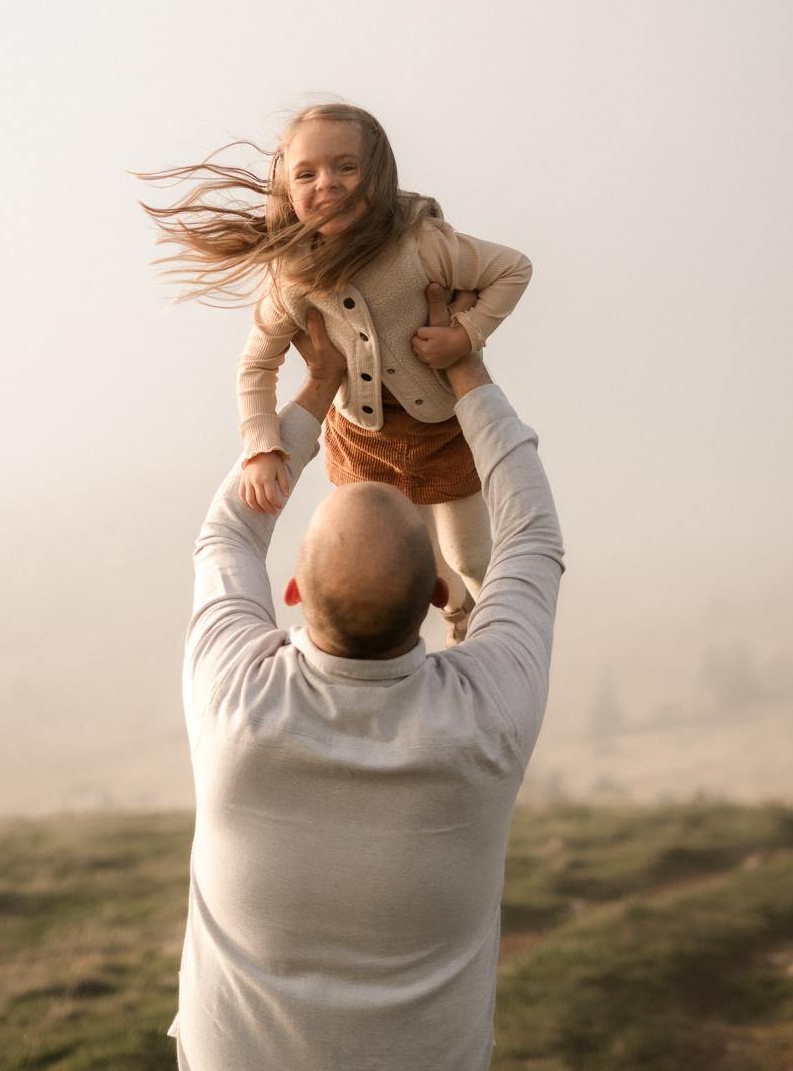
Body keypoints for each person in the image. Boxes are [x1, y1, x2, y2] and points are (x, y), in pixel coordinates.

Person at [167, 283, 565, 1071]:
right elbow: (531, 539)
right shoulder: (488, 717)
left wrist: (314, 389)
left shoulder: (235, 706)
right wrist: (465, 370)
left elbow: (228, 535)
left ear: (293, 595)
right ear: (436, 596)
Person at [139, 102, 532, 643]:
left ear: (379, 174)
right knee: (403, 562)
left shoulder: (423, 245)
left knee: (470, 554)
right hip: (362, 442)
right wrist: (262, 446)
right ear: (286, 187)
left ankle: (482, 634)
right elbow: (257, 362)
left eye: (347, 168)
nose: (329, 184)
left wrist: (466, 334)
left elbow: (513, 268)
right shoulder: (293, 276)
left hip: (444, 431)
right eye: (308, 173)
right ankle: (442, 628)